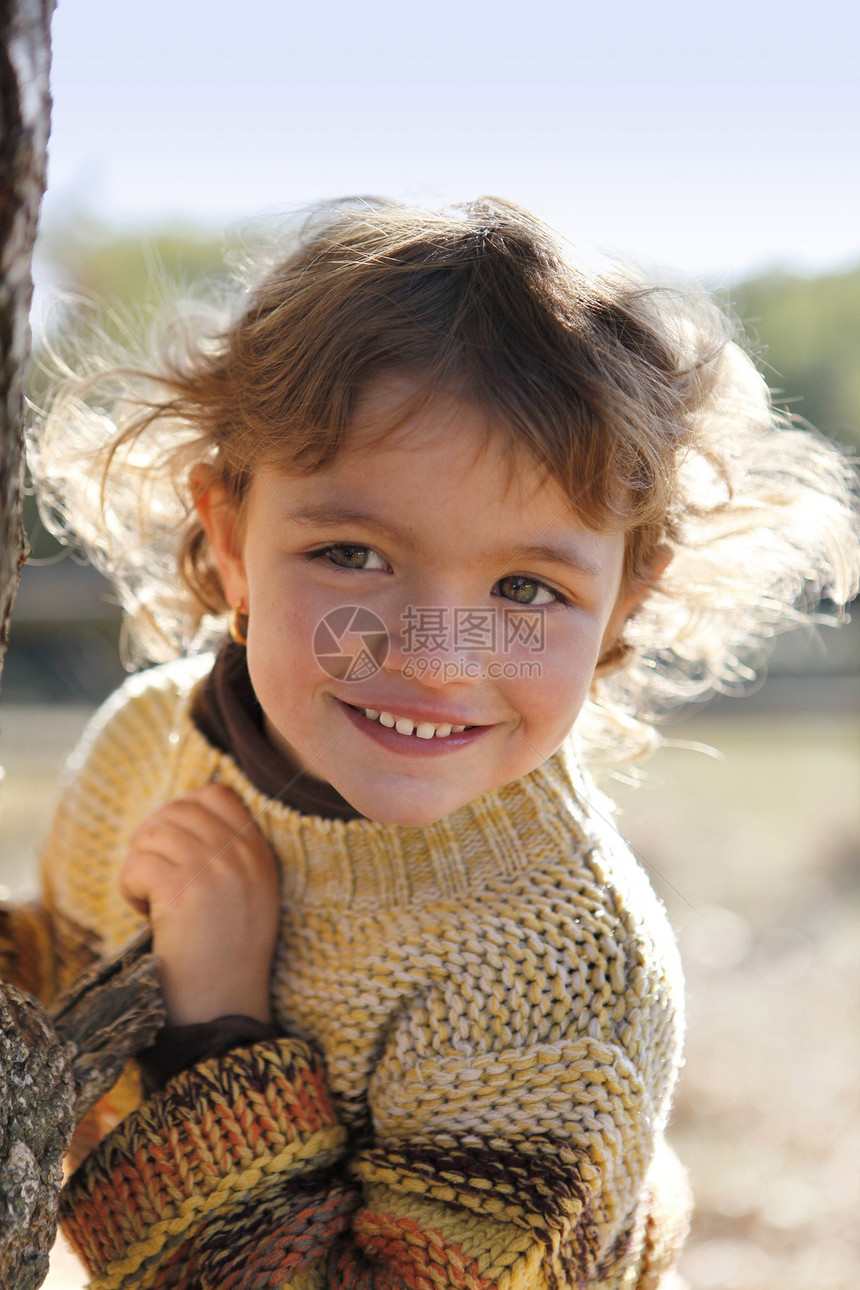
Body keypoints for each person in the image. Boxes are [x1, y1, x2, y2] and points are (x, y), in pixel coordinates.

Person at [5, 197, 859, 1288]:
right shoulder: (145, 745)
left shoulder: (555, 977)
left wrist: (216, 1025)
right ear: (227, 539)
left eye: (523, 587)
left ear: (620, 605)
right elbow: (36, 1012)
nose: (435, 658)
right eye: (352, 554)